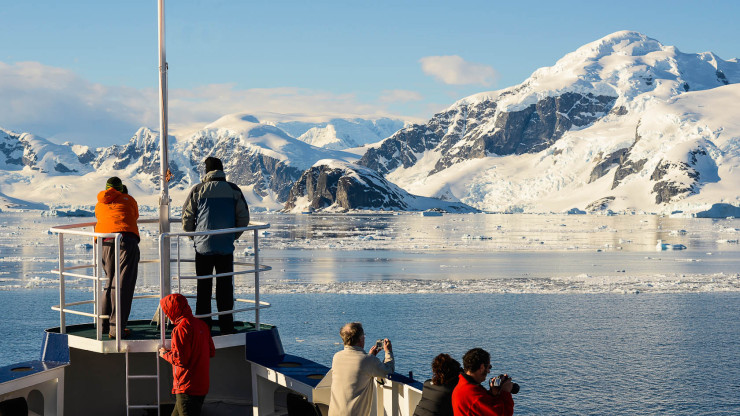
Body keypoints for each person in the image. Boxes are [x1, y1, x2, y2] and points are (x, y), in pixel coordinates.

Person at [182, 157, 250, 334]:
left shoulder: (198, 189)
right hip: (225, 247)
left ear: (207, 171)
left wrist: (195, 237)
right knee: (225, 287)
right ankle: (227, 325)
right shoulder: (233, 190)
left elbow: (187, 217)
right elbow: (243, 217)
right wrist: (232, 236)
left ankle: (203, 326)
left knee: (203, 288)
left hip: (203, 247)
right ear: (221, 170)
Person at [94, 176, 139, 339]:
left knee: (109, 282)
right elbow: (134, 216)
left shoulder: (99, 204)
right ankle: (117, 329)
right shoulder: (129, 200)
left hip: (103, 243)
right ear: (121, 189)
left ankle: (104, 325)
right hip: (125, 241)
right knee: (123, 285)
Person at [159, 293, 215, 416]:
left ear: (172, 310)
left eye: (166, 311)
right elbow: (211, 351)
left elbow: (181, 359)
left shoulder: (180, 329)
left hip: (187, 387)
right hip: (201, 384)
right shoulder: (202, 325)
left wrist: (164, 354)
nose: (166, 314)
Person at [328, 322, 394, 416]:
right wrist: (388, 352)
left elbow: (356, 367)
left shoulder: (337, 357)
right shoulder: (367, 360)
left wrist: (371, 356)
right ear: (361, 339)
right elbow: (388, 370)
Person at [451, 348, 514, 416]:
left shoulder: (462, 385)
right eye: (488, 367)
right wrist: (505, 392)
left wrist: (492, 394)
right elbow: (504, 414)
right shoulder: (473, 395)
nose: (488, 371)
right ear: (482, 367)